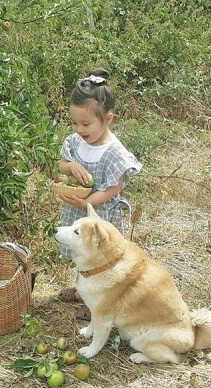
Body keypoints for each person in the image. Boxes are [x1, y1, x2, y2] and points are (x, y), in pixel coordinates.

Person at [57, 68, 142, 320]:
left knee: (100, 261)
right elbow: (62, 164)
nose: (79, 129)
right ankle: (82, 289)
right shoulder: (76, 141)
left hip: (100, 215)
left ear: (108, 120)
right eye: (74, 122)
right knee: (82, 254)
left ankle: (97, 302)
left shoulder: (114, 152)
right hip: (79, 209)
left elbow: (112, 189)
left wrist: (86, 203)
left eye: (86, 124)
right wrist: (70, 166)